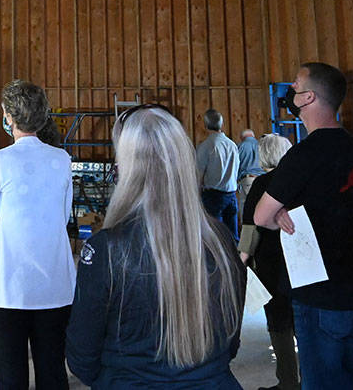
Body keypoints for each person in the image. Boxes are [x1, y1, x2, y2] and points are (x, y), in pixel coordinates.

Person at [66, 105, 244, 388]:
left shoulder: (106, 249)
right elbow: (231, 342)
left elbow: (81, 358)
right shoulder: (220, 240)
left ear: (125, 165)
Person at [254, 62, 353, 390]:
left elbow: (262, 216)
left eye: (294, 87)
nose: (289, 94)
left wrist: (279, 214)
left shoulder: (303, 155)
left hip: (319, 297)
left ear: (308, 98)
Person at [0, 80, 76, 390]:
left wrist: (10, 244)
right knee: (52, 369)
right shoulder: (61, 160)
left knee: (10, 374)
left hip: (10, 283)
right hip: (54, 281)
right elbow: (64, 216)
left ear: (8, 116)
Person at [239, 133, 298, 390]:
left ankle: (287, 381)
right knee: (302, 318)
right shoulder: (299, 182)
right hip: (300, 260)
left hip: (269, 261)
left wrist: (241, 263)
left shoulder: (261, 184)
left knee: (278, 321)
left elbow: (251, 229)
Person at [195, 108, 239, 240]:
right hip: (231, 194)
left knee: (214, 237)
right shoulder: (232, 145)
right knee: (232, 237)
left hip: (213, 196)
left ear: (205, 125)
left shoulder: (206, 146)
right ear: (221, 124)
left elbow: (199, 174)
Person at [236, 127, 264, 209]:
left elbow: (236, 165)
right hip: (262, 179)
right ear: (253, 136)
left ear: (242, 137)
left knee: (246, 208)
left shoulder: (241, 146)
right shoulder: (261, 145)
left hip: (247, 180)